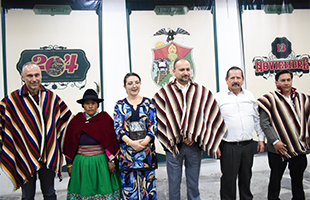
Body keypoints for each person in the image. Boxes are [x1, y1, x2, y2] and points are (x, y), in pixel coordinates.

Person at [152, 58, 226, 200]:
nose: (185, 73)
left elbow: (209, 116)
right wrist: (172, 138)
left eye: (187, 69)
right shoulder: (165, 93)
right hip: (173, 147)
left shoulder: (201, 91)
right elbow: (157, 118)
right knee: (173, 185)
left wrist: (197, 135)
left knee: (193, 184)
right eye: (181, 70)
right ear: (174, 72)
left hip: (194, 146)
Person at [0, 61, 73, 199]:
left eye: (37, 75)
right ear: (22, 77)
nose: (34, 79)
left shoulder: (52, 98)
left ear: (41, 76)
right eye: (29, 76)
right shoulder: (12, 100)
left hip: (48, 155)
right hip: (25, 155)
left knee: (50, 193)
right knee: (27, 196)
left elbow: (67, 122)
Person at [258, 69, 310, 200]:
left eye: (288, 80)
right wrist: (275, 142)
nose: (286, 83)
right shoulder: (268, 99)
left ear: (292, 81)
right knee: (275, 180)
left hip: (298, 147)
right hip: (277, 149)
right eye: (283, 80)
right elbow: (265, 124)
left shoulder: (302, 98)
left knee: (298, 181)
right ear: (276, 83)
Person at [214, 66, 265, 200]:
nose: (235, 81)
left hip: (248, 145)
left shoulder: (249, 96)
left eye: (238, 78)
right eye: (232, 78)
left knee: (246, 177)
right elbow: (212, 123)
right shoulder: (218, 98)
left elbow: (256, 119)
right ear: (226, 80)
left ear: (242, 80)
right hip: (229, 146)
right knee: (229, 180)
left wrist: (260, 139)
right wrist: (215, 145)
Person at [63, 88, 121, 199]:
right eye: (87, 103)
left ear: (97, 105)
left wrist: (111, 160)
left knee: (102, 188)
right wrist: (69, 164)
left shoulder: (105, 119)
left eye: (93, 103)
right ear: (83, 105)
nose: (90, 106)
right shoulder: (76, 120)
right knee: (83, 189)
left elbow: (110, 141)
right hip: (81, 163)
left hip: (101, 162)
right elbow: (70, 143)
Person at [114, 72, 157, 200]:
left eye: (137, 82)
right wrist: (131, 143)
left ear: (140, 84)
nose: (134, 86)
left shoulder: (148, 103)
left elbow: (153, 124)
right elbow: (118, 127)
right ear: (124, 86)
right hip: (127, 154)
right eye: (130, 83)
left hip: (146, 153)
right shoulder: (119, 105)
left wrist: (146, 141)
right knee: (129, 191)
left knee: (148, 189)